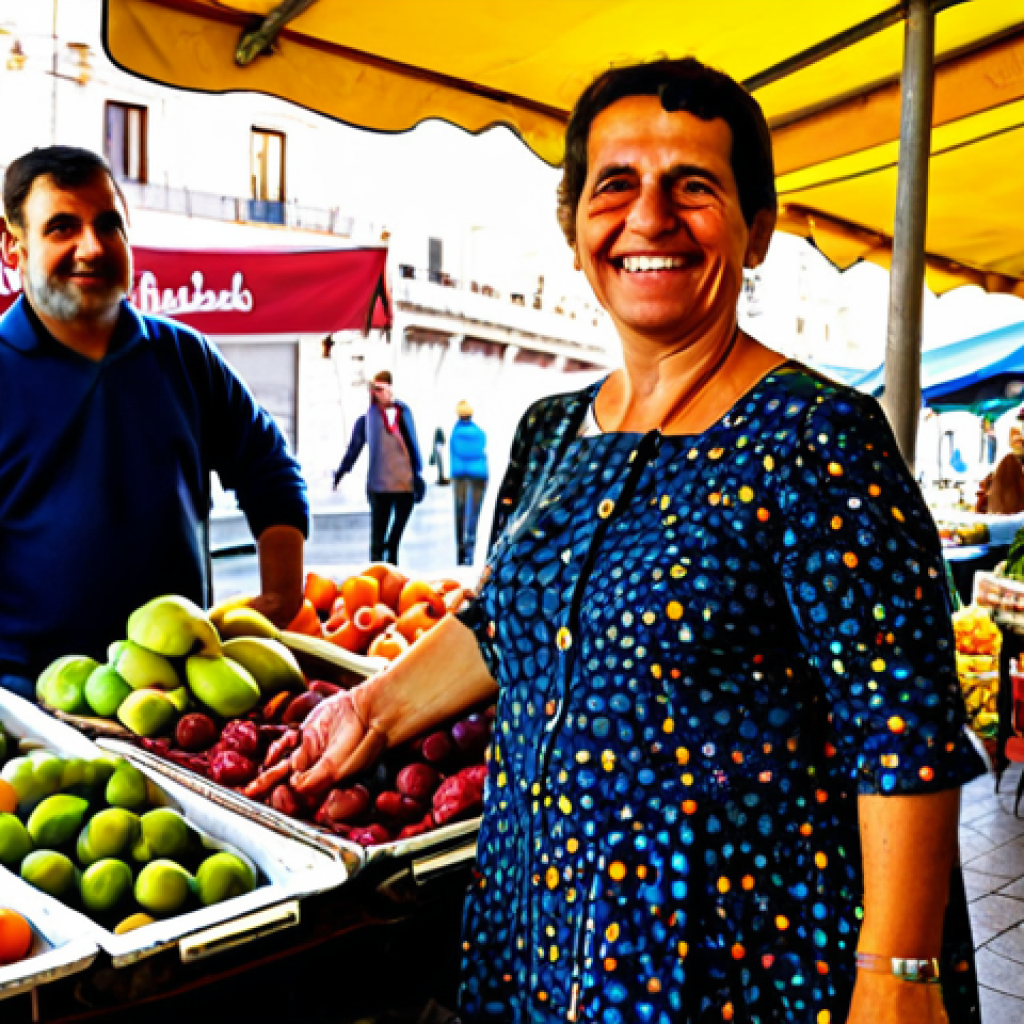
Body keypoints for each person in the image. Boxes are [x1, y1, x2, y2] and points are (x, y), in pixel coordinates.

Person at [290, 59, 984, 1024]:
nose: (650, 217)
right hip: (541, 922)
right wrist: (367, 712)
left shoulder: (821, 439)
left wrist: (898, 976)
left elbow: (901, 732)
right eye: (616, 184)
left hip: (735, 955)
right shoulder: (547, 430)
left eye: (693, 186)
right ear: (577, 229)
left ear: (758, 231)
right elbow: (507, 625)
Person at [0, 146, 308, 699]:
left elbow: (269, 469)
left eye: (109, 225)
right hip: (29, 711)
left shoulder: (185, 357)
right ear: (12, 246)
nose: (92, 248)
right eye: (62, 228)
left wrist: (281, 598)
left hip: (178, 707)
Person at [333, 369, 424, 565]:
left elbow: (413, 443)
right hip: (379, 486)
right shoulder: (366, 419)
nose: (376, 394)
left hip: (404, 485)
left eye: (380, 389)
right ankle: (376, 577)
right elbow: (354, 448)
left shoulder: (403, 412)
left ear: (391, 389)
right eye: (373, 389)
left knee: (394, 537)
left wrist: (418, 474)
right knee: (377, 536)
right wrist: (341, 472)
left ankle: (392, 571)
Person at [449, 400, 488, 565]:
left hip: (460, 476)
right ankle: (470, 549)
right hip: (479, 475)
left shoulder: (455, 433)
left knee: (460, 512)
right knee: (474, 513)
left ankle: (460, 549)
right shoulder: (480, 433)